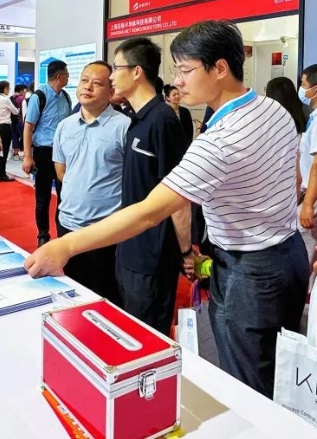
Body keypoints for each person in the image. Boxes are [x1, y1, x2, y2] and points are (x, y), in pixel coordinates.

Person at [25, 20, 308, 399]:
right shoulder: (273, 109)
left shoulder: (218, 140)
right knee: (277, 370)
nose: (177, 81)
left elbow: (149, 211)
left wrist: (66, 245)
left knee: (248, 384)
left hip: (249, 273)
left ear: (220, 68)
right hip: (288, 254)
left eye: (185, 70)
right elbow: (291, 178)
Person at [111, 37, 191, 335]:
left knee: (148, 336)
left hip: (152, 256)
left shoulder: (162, 120)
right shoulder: (137, 119)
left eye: (116, 68)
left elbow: (178, 194)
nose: (111, 76)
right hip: (129, 247)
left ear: (136, 72)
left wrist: (186, 251)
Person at [53, 61, 130, 304]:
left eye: (97, 83)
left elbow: (132, 179)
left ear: (111, 92)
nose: (88, 87)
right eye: (84, 80)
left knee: (105, 296)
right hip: (67, 224)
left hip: (105, 231)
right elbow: (61, 171)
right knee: (73, 292)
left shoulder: (124, 127)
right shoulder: (64, 126)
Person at [22, 61, 71, 248]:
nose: (68, 77)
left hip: (63, 153)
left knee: (64, 194)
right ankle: (43, 235)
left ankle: (62, 231)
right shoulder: (39, 96)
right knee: (43, 197)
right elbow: (28, 127)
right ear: (58, 76)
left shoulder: (65, 97)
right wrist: (28, 156)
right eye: (66, 74)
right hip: (43, 152)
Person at [296, 66, 317, 271]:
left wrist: (308, 204)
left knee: (305, 253)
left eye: (303, 84)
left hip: (313, 195)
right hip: (308, 192)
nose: (301, 90)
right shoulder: (313, 117)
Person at [0, 80, 18, 182]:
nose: (9, 90)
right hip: (5, 127)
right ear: (5, 88)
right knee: (4, 150)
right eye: (9, 88)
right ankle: (2, 174)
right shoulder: (6, 99)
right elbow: (15, 111)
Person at [10, 85, 26, 160]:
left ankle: (15, 154)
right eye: (24, 91)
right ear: (21, 91)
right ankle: (24, 154)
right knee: (24, 137)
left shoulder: (11, 98)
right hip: (20, 121)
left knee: (15, 137)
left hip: (13, 121)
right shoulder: (22, 98)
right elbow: (24, 111)